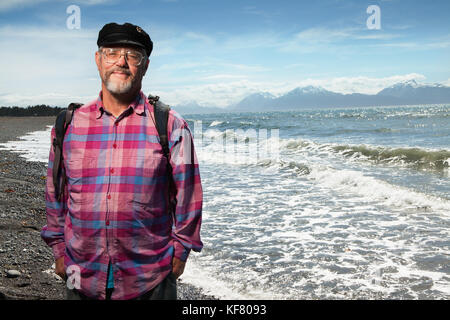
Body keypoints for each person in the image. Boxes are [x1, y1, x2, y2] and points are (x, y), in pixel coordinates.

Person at [41, 22, 203, 300]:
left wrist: (180, 252)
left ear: (146, 65)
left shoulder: (172, 125)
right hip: (81, 276)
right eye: (112, 53)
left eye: (133, 55)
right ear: (98, 59)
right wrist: (58, 249)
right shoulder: (67, 124)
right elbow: (56, 192)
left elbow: (189, 194)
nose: (122, 63)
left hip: (151, 278)